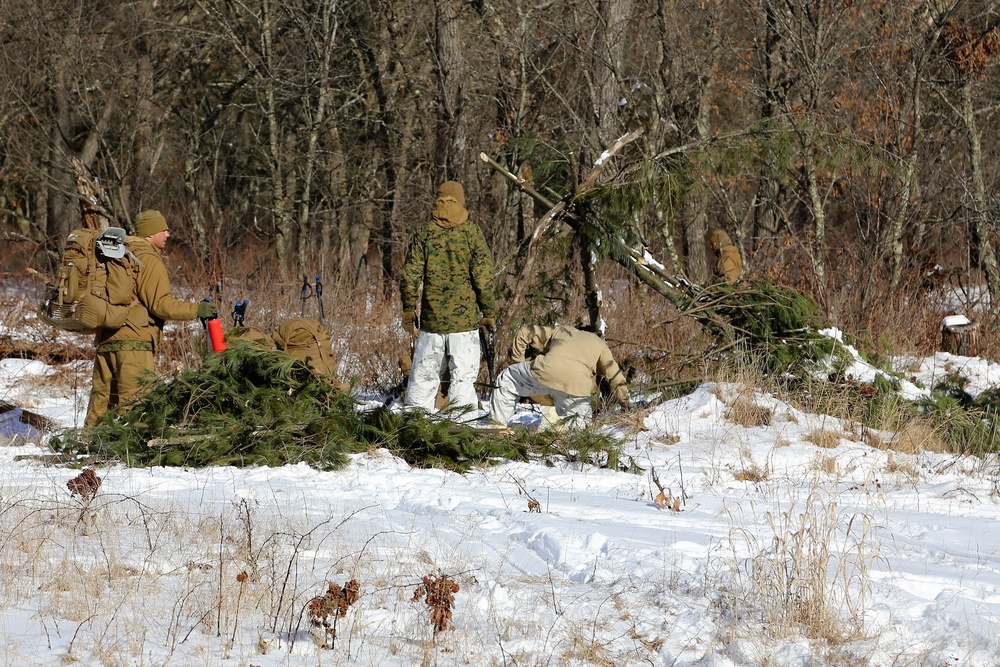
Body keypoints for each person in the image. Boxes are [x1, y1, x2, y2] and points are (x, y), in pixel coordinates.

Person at [84, 210, 216, 426]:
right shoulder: (148, 259)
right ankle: (135, 452)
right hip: (134, 342)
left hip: (107, 339)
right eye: (162, 230)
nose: (167, 234)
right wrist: (197, 310)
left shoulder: (116, 253)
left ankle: (88, 447)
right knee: (136, 405)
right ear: (149, 233)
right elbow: (161, 305)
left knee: (101, 401)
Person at [400, 180, 496, 416]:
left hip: (432, 322)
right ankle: (460, 429)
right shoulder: (472, 233)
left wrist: (408, 309)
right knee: (462, 379)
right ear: (461, 201)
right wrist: (489, 312)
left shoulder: (425, 232)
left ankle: (415, 427)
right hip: (464, 324)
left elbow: (410, 275)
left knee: (423, 376)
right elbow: (483, 278)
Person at [488, 324, 629, 430]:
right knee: (579, 431)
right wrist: (625, 405)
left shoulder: (562, 330)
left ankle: (497, 426)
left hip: (546, 371)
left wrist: (517, 364)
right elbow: (616, 377)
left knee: (508, 377)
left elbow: (525, 332)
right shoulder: (600, 345)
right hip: (577, 385)